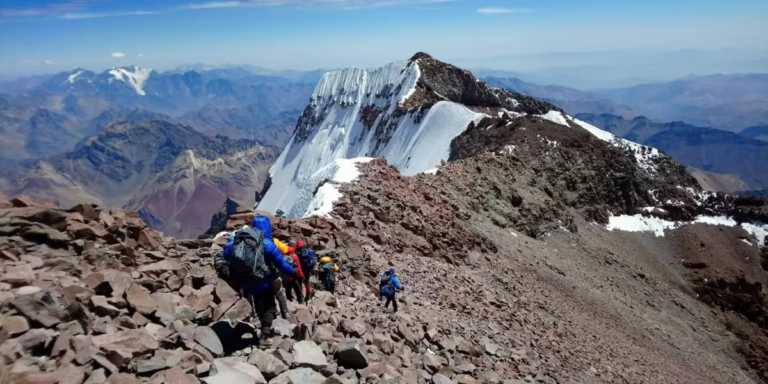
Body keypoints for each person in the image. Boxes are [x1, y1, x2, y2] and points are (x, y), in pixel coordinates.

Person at [215, 216, 298, 348]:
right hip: (264, 282)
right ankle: (265, 336)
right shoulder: (267, 244)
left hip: (246, 282)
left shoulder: (239, 241)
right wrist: (294, 272)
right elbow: (281, 264)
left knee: (259, 306)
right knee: (270, 307)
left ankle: (260, 328)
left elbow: (226, 255)